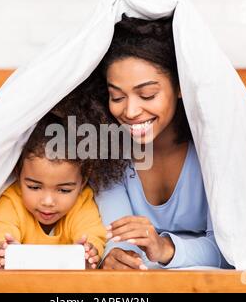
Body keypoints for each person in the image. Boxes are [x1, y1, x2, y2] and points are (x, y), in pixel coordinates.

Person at [87, 15, 230, 269]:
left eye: (147, 94)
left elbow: (230, 251)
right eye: (117, 97)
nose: (130, 111)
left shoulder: (215, 150)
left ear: (180, 86)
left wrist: (165, 248)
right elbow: (118, 238)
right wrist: (117, 255)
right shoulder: (108, 153)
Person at [0, 104, 114, 269]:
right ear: (18, 173)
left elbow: (93, 233)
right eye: (34, 187)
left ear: (83, 180)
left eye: (64, 190)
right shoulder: (10, 200)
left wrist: (89, 252)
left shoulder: (82, 201)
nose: (47, 201)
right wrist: (0, 252)